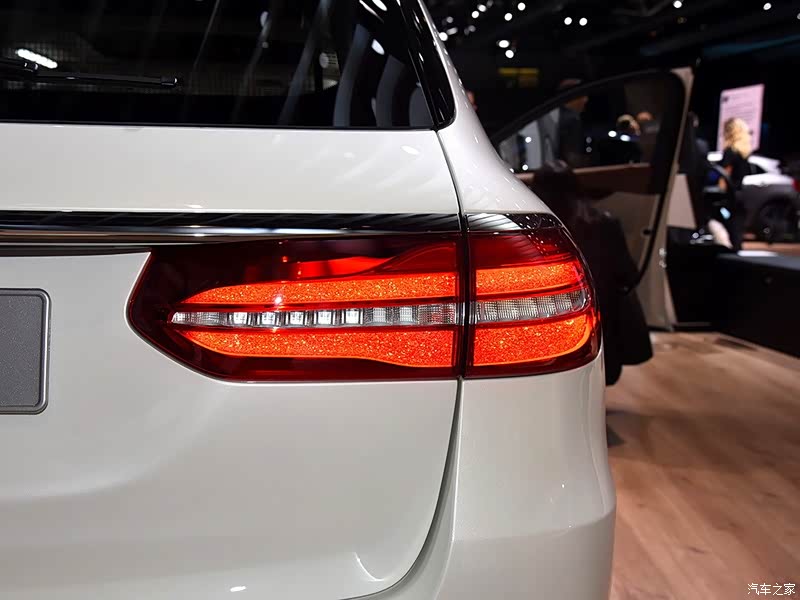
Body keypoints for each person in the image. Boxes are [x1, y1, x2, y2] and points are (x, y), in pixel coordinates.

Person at [719, 117, 753, 250]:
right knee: (737, 231)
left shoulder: (730, 152)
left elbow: (725, 175)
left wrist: (719, 192)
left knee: (728, 229)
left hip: (730, 198)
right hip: (742, 196)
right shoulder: (744, 153)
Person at [556, 79, 589, 167]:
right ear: (572, 96)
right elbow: (572, 157)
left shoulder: (555, 116)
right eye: (582, 95)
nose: (586, 99)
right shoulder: (572, 119)